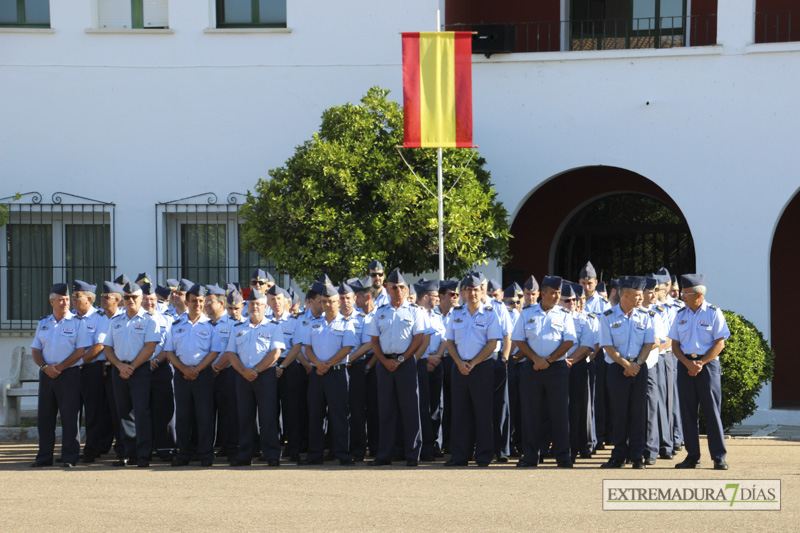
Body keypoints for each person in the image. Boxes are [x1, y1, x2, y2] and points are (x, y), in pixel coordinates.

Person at [512, 276, 576, 468]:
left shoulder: (564, 314)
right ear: (543, 294)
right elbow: (519, 339)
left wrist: (549, 359)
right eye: (554, 293)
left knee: (559, 414)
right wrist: (536, 359)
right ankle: (531, 456)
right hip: (532, 368)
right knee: (531, 413)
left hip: (555, 368)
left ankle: (563, 456)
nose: (557, 296)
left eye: (559, 293)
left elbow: (569, 341)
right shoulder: (527, 313)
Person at [668, 274, 730, 470]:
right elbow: (675, 344)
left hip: (708, 365)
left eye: (685, 294)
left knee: (711, 411)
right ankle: (692, 456)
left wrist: (701, 362)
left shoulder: (713, 312)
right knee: (687, 412)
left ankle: (718, 456)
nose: (682, 297)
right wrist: (688, 363)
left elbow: (720, 342)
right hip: (686, 364)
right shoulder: (680, 314)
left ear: (698, 295)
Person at [365, 269, 426, 467]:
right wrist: (384, 361)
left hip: (405, 363)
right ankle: (385, 454)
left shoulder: (414, 311)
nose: (398, 290)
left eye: (401, 287)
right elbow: (374, 341)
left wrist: (400, 359)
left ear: (406, 290)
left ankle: (412, 454)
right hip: (384, 364)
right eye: (394, 287)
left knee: (410, 410)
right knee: (386, 410)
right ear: (386, 289)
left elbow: (419, 339)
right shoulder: (380, 312)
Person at [30, 283, 92, 467]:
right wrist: (45, 367)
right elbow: (35, 349)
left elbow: (81, 350)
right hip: (47, 374)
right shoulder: (43, 323)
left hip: (69, 375)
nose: (65, 302)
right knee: (45, 417)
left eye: (67, 299)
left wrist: (61, 367)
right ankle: (44, 457)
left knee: (70, 417)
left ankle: (70, 457)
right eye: (61, 299)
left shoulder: (77, 323)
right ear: (52, 301)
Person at [103, 281, 163, 467]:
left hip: (140, 371)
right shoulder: (116, 321)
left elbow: (150, 347)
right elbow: (108, 348)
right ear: (122, 299)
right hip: (119, 370)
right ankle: (129, 453)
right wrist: (120, 366)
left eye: (134, 297)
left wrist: (132, 367)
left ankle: (144, 454)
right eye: (127, 297)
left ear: (141, 299)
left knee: (141, 412)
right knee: (123, 413)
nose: (130, 300)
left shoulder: (149, 320)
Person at [599, 276, 655, 469]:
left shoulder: (646, 316)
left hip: (639, 368)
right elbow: (607, 345)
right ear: (625, 295)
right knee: (619, 413)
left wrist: (637, 364)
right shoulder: (607, 316)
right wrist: (625, 365)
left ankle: (637, 455)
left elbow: (649, 343)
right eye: (638, 296)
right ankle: (618, 455)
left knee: (638, 413)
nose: (642, 299)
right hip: (617, 369)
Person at [224, 289, 285, 466]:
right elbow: (231, 353)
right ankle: (245, 454)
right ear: (246, 306)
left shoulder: (273, 326)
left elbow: (275, 353)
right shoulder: (238, 328)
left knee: (268, 417)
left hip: (265, 375)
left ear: (265, 307)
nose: (254, 306)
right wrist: (244, 371)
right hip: (242, 376)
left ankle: (271, 454)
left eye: (258, 304)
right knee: (245, 417)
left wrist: (256, 370)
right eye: (251, 304)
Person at [300, 283, 357, 466]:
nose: (327, 305)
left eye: (330, 301)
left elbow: (347, 348)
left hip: (337, 373)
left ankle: (343, 453)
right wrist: (318, 364)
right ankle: (315, 454)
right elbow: (307, 348)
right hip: (318, 373)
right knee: (315, 414)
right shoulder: (313, 324)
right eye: (323, 302)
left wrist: (328, 364)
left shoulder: (346, 324)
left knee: (339, 415)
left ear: (338, 302)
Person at [163, 283, 220, 467]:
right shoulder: (176, 325)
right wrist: (184, 369)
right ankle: (184, 453)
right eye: (194, 301)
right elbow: (169, 352)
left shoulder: (211, 326)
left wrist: (196, 370)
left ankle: (205, 453)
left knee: (205, 416)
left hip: (202, 375)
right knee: (183, 416)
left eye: (201, 301)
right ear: (187, 302)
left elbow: (214, 352)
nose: (198, 304)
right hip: (181, 375)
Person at [71, 280, 110, 463]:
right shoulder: (69, 317)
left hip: (91, 369)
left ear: (88, 298)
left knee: (93, 412)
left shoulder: (100, 318)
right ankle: (70, 450)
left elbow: (100, 346)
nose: (72, 299)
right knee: (71, 411)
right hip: (70, 370)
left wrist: (79, 362)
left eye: (76, 296)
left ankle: (91, 449)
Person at [141, 282, 176, 461]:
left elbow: (169, 346)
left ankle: (165, 447)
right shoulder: (133, 319)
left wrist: (154, 360)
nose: (149, 302)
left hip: (161, 366)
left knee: (164, 409)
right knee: (141, 410)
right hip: (138, 368)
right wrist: (143, 362)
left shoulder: (167, 319)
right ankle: (144, 449)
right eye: (146, 299)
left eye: (152, 299)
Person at [563, 282, 597, 462]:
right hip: (554, 366)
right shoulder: (553, 318)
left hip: (576, 367)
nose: (571, 304)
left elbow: (586, 346)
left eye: (573, 300)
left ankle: (574, 447)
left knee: (576, 408)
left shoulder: (583, 321)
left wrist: (570, 360)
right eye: (567, 300)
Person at [210, 288, 244, 460]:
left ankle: (235, 445)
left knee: (234, 410)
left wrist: (218, 367)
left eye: (237, 308)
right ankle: (225, 444)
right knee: (222, 410)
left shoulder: (245, 324)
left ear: (242, 306)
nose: (233, 312)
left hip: (233, 371)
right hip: (216, 372)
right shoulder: (220, 324)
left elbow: (234, 351)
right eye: (230, 308)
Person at [414, 278, 445, 461]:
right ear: (425, 297)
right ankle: (423, 445)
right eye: (435, 296)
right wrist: (425, 359)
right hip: (420, 363)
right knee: (421, 406)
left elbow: (443, 340)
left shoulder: (437, 316)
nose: (438, 299)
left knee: (435, 407)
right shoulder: (414, 314)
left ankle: (433, 443)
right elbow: (414, 342)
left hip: (435, 362)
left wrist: (437, 358)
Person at [437, 279, 459, 455]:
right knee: (436, 404)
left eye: (457, 295)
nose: (455, 298)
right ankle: (436, 444)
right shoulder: (429, 314)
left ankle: (451, 443)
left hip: (453, 361)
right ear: (441, 296)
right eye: (452, 294)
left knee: (453, 404)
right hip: (435, 362)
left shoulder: (460, 314)